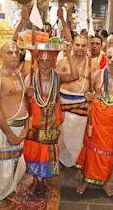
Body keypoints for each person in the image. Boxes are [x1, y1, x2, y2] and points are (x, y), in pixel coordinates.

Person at [23, 43, 79, 208]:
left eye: (49, 60)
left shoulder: (57, 76)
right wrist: (28, 95)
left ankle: (45, 179)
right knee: (34, 150)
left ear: (53, 61)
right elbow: (25, 102)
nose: (45, 64)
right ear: (38, 62)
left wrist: (69, 54)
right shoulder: (30, 77)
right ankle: (34, 179)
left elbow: (75, 75)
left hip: (52, 121)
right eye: (42, 60)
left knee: (48, 150)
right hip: (35, 122)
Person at [76, 46, 113, 196]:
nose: (112, 61)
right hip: (95, 119)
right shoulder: (96, 75)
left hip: (111, 124)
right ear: (105, 58)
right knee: (90, 149)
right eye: (110, 57)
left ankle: (104, 181)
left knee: (107, 153)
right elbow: (89, 95)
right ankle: (86, 179)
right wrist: (88, 97)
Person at [0, 41, 29, 209]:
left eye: (16, 52)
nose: (14, 55)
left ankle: (7, 192)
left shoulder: (18, 74)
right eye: (9, 52)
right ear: (1, 55)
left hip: (20, 127)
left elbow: (22, 100)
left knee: (17, 163)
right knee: (0, 166)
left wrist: (26, 125)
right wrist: (9, 134)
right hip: (5, 129)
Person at [57, 36, 99, 168]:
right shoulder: (63, 62)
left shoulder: (93, 64)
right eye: (77, 45)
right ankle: (62, 159)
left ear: (87, 47)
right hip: (64, 103)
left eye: (83, 45)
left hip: (82, 104)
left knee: (78, 136)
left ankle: (76, 160)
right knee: (62, 135)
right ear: (72, 46)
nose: (80, 48)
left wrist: (93, 96)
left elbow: (99, 87)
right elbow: (56, 82)